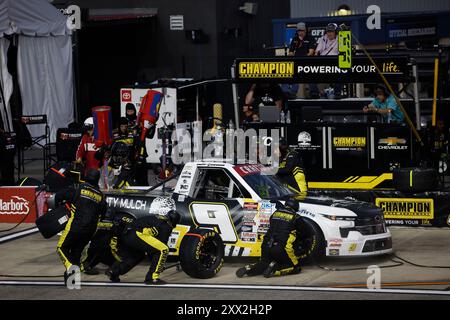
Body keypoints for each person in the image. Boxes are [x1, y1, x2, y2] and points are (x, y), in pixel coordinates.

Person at [106, 198, 181, 285]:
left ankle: (114, 271)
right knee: (163, 250)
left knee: (137, 255)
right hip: (138, 234)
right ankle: (152, 278)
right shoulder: (166, 225)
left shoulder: (154, 218)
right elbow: (160, 246)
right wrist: (159, 264)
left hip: (126, 235)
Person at [55, 169, 107, 284]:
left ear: (86, 176)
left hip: (75, 226)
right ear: (97, 180)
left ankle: (70, 268)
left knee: (61, 248)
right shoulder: (101, 196)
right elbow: (102, 215)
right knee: (76, 252)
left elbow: (59, 195)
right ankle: (71, 280)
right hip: (90, 230)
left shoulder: (78, 188)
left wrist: (59, 207)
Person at [236, 199, 303, 278]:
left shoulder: (275, 213)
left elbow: (272, 223)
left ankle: (249, 269)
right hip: (280, 248)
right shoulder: (297, 217)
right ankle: (275, 270)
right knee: (295, 268)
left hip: (266, 245)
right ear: (296, 207)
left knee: (263, 263)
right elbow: (302, 232)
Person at [315, 23, 341, 98]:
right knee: (311, 73)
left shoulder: (340, 38)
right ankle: (315, 93)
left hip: (335, 62)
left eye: (331, 32)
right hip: (323, 62)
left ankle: (337, 93)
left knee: (340, 74)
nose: (329, 33)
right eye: (328, 31)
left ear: (335, 32)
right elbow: (317, 52)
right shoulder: (323, 38)